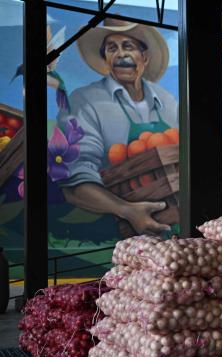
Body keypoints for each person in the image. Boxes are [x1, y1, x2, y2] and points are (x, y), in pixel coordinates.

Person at [57, 18, 178, 235]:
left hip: (176, 222)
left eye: (128, 46)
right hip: (115, 228)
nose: (121, 54)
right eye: (112, 48)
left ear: (145, 57)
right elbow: (74, 177)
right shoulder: (85, 101)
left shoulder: (167, 100)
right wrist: (126, 210)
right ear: (106, 59)